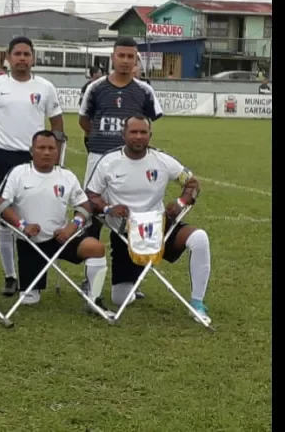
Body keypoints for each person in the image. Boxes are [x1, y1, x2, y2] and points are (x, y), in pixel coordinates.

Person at [84, 115, 211, 323]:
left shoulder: (162, 160)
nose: (138, 137)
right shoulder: (108, 162)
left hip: (160, 226)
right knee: (120, 297)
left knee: (200, 238)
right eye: (133, 132)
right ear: (123, 134)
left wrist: (181, 202)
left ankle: (197, 303)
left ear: (150, 135)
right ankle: (134, 280)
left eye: (143, 132)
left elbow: (192, 183)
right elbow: (90, 196)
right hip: (126, 232)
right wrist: (108, 208)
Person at [0, 36, 65, 297]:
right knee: (5, 218)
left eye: (26, 54)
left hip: (35, 159)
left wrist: (55, 158)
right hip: (3, 157)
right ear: (8, 57)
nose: (22, 58)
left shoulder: (45, 87)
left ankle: (35, 275)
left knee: (34, 217)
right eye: (17, 54)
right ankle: (11, 276)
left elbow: (57, 124)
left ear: (33, 58)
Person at [77, 37, 163, 299]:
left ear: (136, 60)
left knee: (129, 218)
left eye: (131, 56)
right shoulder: (95, 88)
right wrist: (104, 143)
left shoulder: (144, 90)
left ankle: (126, 282)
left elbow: (149, 122)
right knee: (93, 217)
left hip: (130, 165)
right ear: (112, 57)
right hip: (99, 159)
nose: (126, 61)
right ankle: (89, 281)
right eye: (121, 56)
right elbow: (84, 120)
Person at [0, 130, 111, 314]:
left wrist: (72, 227)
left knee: (96, 248)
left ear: (57, 151)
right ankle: (30, 286)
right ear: (32, 150)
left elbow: (85, 206)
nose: (46, 152)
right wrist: (23, 226)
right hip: (30, 241)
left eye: (51, 148)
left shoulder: (66, 176)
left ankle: (93, 298)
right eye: (41, 148)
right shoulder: (18, 173)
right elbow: (0, 203)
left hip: (60, 239)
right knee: (30, 299)